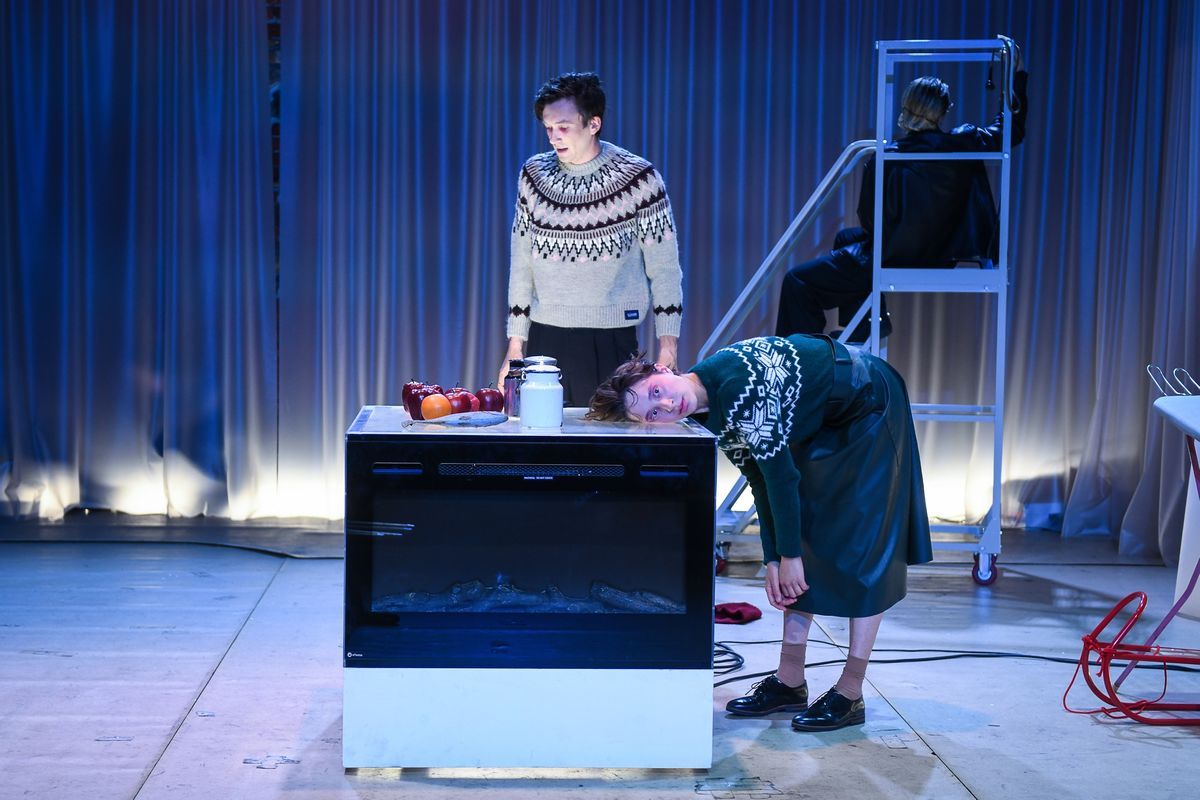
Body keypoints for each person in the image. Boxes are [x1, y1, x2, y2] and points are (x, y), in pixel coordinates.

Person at [587, 334, 933, 731]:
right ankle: (790, 680)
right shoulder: (707, 413)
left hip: (869, 397)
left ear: (663, 370)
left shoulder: (737, 385)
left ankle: (851, 691)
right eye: (652, 413)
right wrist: (775, 558)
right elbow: (760, 476)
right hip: (824, 414)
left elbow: (780, 477)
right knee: (800, 527)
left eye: (657, 391)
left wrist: (788, 556)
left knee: (864, 544)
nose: (666, 406)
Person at [775, 47, 1028, 342]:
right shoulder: (965, 141)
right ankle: (866, 323)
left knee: (797, 282)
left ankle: (800, 357)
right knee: (846, 238)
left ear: (906, 107)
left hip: (896, 255)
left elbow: (869, 218)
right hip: (944, 254)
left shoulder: (889, 157)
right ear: (943, 111)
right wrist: (1016, 76)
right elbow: (1010, 130)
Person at [499, 71, 684, 406]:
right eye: (548, 128)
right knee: (543, 434)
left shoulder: (639, 179)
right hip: (546, 336)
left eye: (563, 127)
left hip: (612, 339)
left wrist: (668, 346)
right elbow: (522, 263)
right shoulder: (533, 175)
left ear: (593, 124)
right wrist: (515, 345)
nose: (553, 137)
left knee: (609, 434)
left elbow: (665, 269)